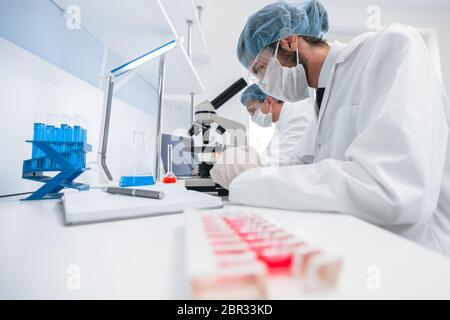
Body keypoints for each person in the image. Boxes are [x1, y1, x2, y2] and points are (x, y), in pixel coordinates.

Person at [211, 0, 450, 255]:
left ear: (289, 41)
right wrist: (256, 169)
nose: (265, 85)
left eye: (261, 69)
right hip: (368, 247)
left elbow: (393, 190)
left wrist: (248, 178)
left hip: (422, 254)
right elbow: (300, 169)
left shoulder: (392, 46)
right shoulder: (323, 96)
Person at [240, 84, 312, 166]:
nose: (252, 117)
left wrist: (245, 163)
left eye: (252, 110)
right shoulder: (283, 120)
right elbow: (271, 155)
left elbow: (282, 160)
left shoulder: (297, 115)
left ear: (268, 101)